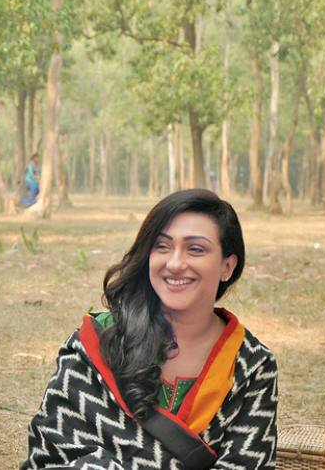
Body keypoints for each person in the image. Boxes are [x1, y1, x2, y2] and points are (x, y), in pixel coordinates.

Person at [21, 189, 278, 469]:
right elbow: (51, 457)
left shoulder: (251, 365)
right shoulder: (97, 342)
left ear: (227, 266)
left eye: (196, 249)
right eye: (162, 246)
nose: (176, 263)